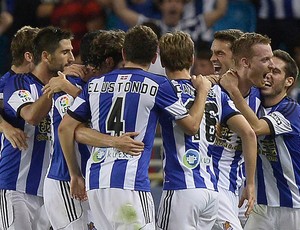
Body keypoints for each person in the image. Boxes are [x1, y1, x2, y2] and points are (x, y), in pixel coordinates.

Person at [58, 24, 210, 229]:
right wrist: (202, 91)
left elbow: (66, 128)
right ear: (155, 58)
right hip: (130, 185)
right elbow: (191, 126)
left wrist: (76, 175)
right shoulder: (157, 84)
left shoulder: (94, 85)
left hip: (96, 184)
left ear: (124, 52)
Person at [156, 31, 257, 230]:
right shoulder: (216, 92)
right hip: (210, 190)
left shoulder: (163, 89)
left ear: (161, 61)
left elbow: (191, 125)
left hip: (180, 187)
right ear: (192, 59)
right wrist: (251, 183)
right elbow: (249, 132)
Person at [0, 26, 74, 230]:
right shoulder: (15, 82)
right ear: (43, 55)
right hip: (16, 185)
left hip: (49, 190)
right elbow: (31, 116)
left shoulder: (64, 85)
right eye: (65, 52)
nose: (71, 58)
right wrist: (4, 126)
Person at [221, 49, 300, 230]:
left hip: (294, 206)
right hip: (262, 206)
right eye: (267, 70)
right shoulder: (254, 105)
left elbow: (256, 128)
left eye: (276, 72)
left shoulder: (291, 111)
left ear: (289, 82)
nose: (268, 75)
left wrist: (233, 90)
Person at [211, 31, 274, 230]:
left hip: (239, 188)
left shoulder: (259, 93)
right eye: (265, 60)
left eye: (220, 53)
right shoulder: (211, 91)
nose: (213, 58)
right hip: (214, 183)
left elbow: (255, 129)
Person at [0, 26, 39, 152]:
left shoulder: (37, 82)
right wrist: (5, 127)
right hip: (11, 160)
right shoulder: (5, 84)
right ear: (29, 56)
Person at [111, 0, 227, 42]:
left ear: (183, 6)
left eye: (178, 1)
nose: (173, 5)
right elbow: (121, 10)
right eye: (169, 1)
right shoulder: (149, 27)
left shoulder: (194, 25)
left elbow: (220, 11)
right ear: (161, 5)